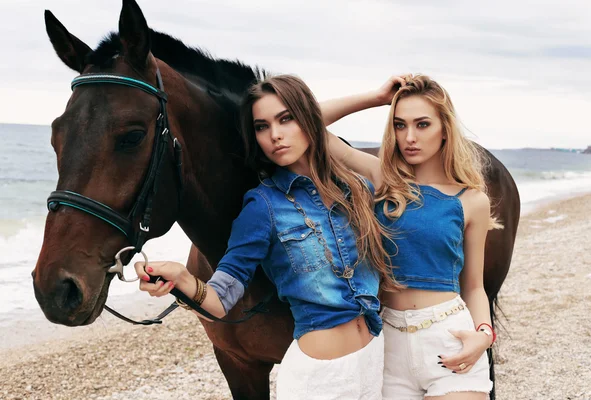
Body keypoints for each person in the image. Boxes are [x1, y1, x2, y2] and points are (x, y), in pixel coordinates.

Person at [134, 74, 398, 400]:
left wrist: (376, 97)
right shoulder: (263, 207)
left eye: (286, 119)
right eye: (261, 126)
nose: (274, 135)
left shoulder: (354, 189)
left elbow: (392, 180)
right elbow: (221, 298)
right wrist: (182, 279)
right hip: (318, 379)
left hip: (372, 360)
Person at [321, 74, 497, 399]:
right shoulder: (381, 180)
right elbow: (309, 124)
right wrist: (376, 97)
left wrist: (484, 334)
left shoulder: (472, 201)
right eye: (400, 125)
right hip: (388, 348)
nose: (409, 137)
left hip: (449, 337)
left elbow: (474, 286)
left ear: (445, 129)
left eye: (422, 124)